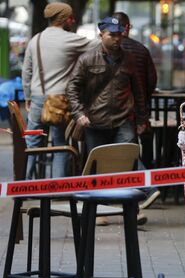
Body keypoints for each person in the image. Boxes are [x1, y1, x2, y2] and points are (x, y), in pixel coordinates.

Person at [66, 17, 149, 225]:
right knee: (99, 166)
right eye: (112, 35)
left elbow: (139, 90)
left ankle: (133, 209)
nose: (117, 38)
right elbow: (72, 88)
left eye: (119, 34)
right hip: (95, 121)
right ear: (101, 35)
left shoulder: (128, 59)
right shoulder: (87, 58)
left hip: (124, 119)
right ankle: (100, 210)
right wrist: (79, 114)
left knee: (127, 161)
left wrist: (141, 118)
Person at [21, 2, 99, 179]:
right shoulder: (70, 39)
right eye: (70, 17)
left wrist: (28, 96)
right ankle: (57, 187)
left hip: (37, 98)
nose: (73, 20)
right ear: (64, 19)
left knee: (32, 143)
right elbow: (98, 45)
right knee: (60, 144)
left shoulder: (36, 39)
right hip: (60, 100)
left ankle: (24, 186)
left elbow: (26, 71)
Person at [112, 11, 161, 209]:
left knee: (122, 150)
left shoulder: (107, 52)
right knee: (134, 149)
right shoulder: (141, 50)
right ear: (128, 27)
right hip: (137, 108)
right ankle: (141, 190)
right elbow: (151, 80)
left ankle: (133, 191)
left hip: (116, 110)